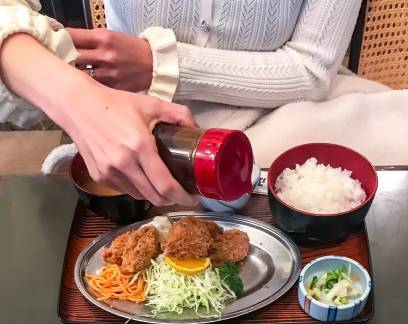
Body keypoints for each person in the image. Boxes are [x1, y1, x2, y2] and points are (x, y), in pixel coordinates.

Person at [0, 1, 361, 203]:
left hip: (285, 113)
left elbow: (311, 69)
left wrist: (163, 64)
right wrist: (75, 97)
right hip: (129, 122)